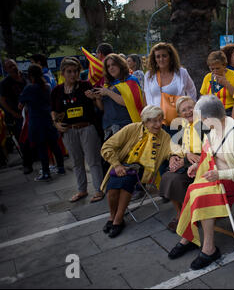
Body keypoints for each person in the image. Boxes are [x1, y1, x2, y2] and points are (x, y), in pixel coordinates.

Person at [168, 95, 234, 270]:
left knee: (202, 195)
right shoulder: (213, 129)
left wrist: (220, 173)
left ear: (209, 118)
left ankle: (209, 248)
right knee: (193, 189)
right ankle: (189, 238)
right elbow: (209, 155)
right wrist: (197, 166)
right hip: (217, 172)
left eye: (201, 119)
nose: (200, 123)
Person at [100, 105, 182, 238]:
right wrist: (116, 164)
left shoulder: (164, 136)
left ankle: (118, 220)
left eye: (160, 120)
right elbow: (107, 146)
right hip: (122, 165)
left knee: (127, 181)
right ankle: (112, 216)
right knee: (112, 189)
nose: (158, 124)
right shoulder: (132, 128)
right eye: (154, 121)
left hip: (143, 170)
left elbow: (174, 149)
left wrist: (174, 156)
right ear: (145, 121)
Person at [51, 57, 104, 203]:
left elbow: (100, 108)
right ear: (62, 73)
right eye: (69, 71)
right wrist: (56, 124)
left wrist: (95, 98)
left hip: (87, 128)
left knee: (93, 160)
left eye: (75, 71)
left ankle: (99, 190)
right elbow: (54, 111)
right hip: (68, 131)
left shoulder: (85, 85)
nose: (73, 75)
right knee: (76, 161)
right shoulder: (57, 90)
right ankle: (82, 190)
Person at [159, 96, 208, 232]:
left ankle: (188, 215)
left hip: (203, 163)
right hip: (189, 161)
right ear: (179, 115)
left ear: (196, 108)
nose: (188, 112)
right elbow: (183, 146)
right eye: (183, 110)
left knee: (175, 179)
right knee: (168, 174)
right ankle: (181, 213)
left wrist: (185, 160)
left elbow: (209, 151)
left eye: (190, 108)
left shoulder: (203, 124)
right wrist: (176, 157)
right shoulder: (185, 126)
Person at [19, 64, 65, 181]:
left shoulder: (29, 88)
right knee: (54, 145)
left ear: (30, 76)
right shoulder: (47, 86)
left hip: (36, 122)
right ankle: (61, 168)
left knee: (42, 147)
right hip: (49, 120)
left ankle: (46, 173)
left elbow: (20, 105)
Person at [89, 53, 145, 141]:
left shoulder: (131, 81)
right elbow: (102, 108)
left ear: (120, 65)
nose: (111, 68)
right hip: (108, 127)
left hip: (125, 125)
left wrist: (108, 92)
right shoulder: (108, 85)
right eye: (108, 66)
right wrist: (97, 98)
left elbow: (129, 103)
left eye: (113, 64)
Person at [143, 42, 197, 133]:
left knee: (179, 146)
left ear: (170, 57)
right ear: (154, 59)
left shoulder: (181, 73)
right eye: (158, 56)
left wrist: (189, 109)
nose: (161, 59)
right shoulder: (149, 75)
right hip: (158, 122)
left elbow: (191, 90)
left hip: (179, 121)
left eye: (164, 56)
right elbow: (148, 97)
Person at [0, 59, 33, 174]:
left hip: (32, 112)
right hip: (18, 116)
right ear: (5, 70)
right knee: (23, 139)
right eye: (9, 66)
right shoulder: (5, 83)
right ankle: (27, 164)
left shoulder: (26, 76)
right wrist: (13, 113)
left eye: (13, 65)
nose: (13, 67)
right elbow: (2, 101)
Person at [200, 51, 234, 116]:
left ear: (224, 65)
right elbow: (203, 98)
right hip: (212, 113)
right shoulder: (208, 77)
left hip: (229, 112)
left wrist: (226, 84)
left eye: (218, 68)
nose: (215, 71)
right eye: (212, 69)